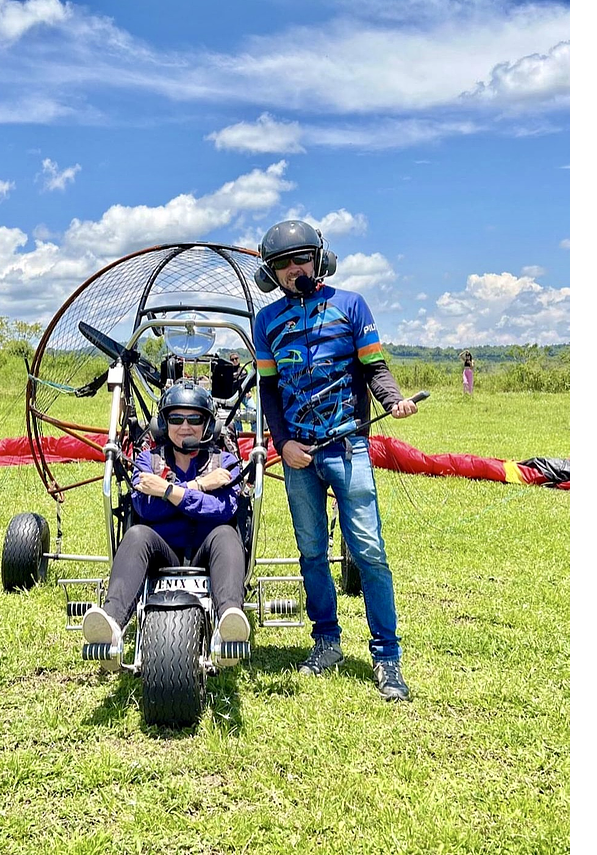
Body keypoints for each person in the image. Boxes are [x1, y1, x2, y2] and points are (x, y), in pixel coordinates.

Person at [251, 219, 418, 702]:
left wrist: (393, 400)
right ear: (271, 273)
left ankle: (387, 659)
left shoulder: (351, 305)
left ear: (319, 258)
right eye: (281, 263)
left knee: (369, 552)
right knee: (311, 552)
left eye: (300, 258)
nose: (292, 269)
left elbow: (374, 368)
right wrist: (282, 445)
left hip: (349, 449)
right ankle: (326, 643)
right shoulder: (266, 322)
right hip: (298, 456)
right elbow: (268, 389)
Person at [82, 381, 250, 671]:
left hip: (210, 553)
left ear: (208, 424)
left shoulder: (226, 461)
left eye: (194, 419)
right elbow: (145, 507)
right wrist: (198, 486)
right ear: (164, 422)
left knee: (226, 533)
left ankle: (229, 621)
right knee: (137, 533)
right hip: (162, 552)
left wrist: (168, 490)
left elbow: (222, 510)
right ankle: (111, 624)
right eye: (176, 419)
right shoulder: (149, 459)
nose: (185, 427)